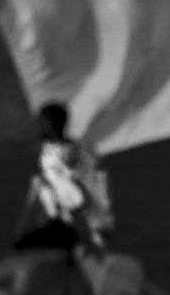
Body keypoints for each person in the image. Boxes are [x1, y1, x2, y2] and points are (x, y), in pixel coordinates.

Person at [12, 102, 114, 255]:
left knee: (21, 247)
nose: (35, 126)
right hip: (87, 224)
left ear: (48, 124)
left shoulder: (60, 157)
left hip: (81, 227)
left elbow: (77, 200)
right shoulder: (74, 149)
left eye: (40, 121)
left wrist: (90, 239)